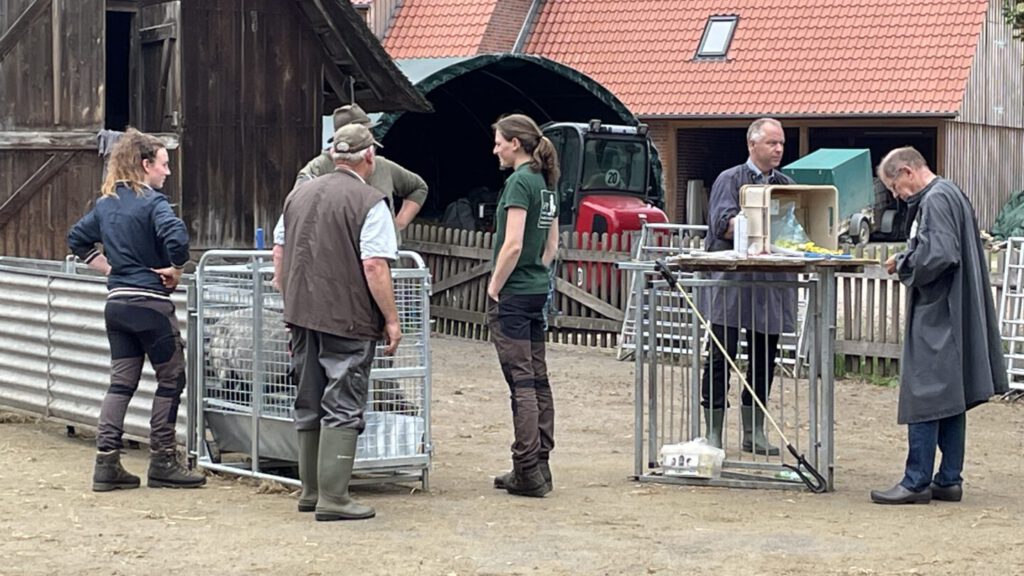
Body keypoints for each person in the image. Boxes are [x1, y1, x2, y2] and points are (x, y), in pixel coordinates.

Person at [67, 128, 206, 492]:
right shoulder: (154, 203)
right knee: (172, 377)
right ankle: (163, 460)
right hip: (149, 305)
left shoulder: (106, 203)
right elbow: (177, 239)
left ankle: (106, 463)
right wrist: (176, 268)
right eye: (164, 164)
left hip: (117, 306)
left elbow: (76, 239)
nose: (168, 172)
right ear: (146, 165)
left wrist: (109, 269)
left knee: (121, 383)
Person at [870, 147, 1008, 505]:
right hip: (952, 309)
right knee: (950, 396)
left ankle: (916, 481)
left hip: (939, 312)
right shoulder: (951, 193)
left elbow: (941, 254)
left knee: (925, 392)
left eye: (894, 187)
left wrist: (903, 263)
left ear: (907, 172)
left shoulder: (935, 200)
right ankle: (948, 479)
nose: (897, 196)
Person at [280, 123, 401, 521]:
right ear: (369, 156)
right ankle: (335, 497)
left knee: (308, 398)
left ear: (334, 155)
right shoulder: (371, 201)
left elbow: (279, 256)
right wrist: (392, 318)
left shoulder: (297, 195)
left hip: (301, 314)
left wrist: (289, 302)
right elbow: (374, 265)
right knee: (343, 402)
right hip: (346, 317)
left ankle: (310, 492)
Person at [700, 117, 797, 455]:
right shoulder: (730, 180)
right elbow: (721, 225)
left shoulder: (787, 183)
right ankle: (712, 432)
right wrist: (756, 229)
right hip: (731, 281)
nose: (778, 149)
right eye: (772, 143)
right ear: (752, 144)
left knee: (763, 358)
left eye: (781, 143)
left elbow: (794, 228)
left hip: (769, 285)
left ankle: (753, 431)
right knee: (719, 356)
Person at [271, 103, 428, 288]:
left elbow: (418, 187)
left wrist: (397, 224)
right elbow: (297, 205)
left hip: (383, 263)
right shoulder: (319, 167)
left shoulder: (382, 166)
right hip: (336, 266)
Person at [487, 114, 560, 498]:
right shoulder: (547, 183)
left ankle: (526, 469)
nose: (495, 148)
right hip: (536, 289)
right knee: (538, 378)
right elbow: (552, 246)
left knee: (522, 383)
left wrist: (495, 286)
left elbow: (512, 243)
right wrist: (537, 273)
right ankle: (542, 464)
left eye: (499, 141)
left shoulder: (519, 182)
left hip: (514, 293)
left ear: (516, 143)